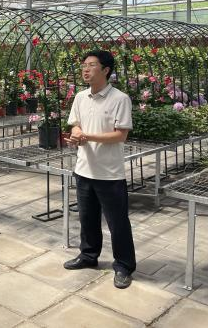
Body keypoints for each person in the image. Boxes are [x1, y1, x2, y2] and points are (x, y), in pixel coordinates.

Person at [64, 50, 135, 289]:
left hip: (110, 173)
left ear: (105, 70)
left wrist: (87, 136)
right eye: (84, 65)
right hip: (84, 169)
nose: (86, 69)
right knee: (87, 218)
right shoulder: (80, 97)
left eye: (92, 65)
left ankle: (124, 266)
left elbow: (120, 135)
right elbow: (75, 125)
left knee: (118, 223)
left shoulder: (120, 99)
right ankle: (88, 255)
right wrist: (77, 134)